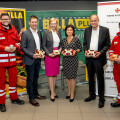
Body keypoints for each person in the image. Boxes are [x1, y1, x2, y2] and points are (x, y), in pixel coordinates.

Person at [83, 15, 110, 108]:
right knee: (90, 77)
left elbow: (107, 45)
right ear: (90, 21)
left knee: (100, 78)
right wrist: (85, 51)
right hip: (89, 58)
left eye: (95, 20)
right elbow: (85, 44)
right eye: (92, 21)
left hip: (99, 58)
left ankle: (101, 99)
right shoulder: (87, 30)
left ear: (98, 20)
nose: (93, 22)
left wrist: (100, 53)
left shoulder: (105, 30)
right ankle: (92, 95)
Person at [0, 13, 24, 112]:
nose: (6, 20)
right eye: (3, 19)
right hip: (1, 62)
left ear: (9, 20)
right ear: (0, 20)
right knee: (1, 83)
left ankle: (14, 98)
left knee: (13, 80)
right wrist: (3, 48)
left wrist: (16, 47)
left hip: (12, 61)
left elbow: (18, 42)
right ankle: (1, 102)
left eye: (7, 19)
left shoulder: (13, 29)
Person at [21, 15, 46, 107]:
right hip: (30, 59)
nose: (34, 23)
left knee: (36, 78)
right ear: (29, 22)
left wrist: (42, 52)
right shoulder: (25, 33)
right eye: (33, 22)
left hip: (38, 59)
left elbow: (40, 46)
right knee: (30, 79)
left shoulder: (39, 32)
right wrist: (32, 55)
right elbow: (22, 47)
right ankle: (31, 98)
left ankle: (36, 94)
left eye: (36, 22)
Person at [42, 18, 61, 102]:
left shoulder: (58, 33)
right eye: (52, 23)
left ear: (57, 24)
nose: (53, 25)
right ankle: (52, 93)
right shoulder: (46, 33)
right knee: (50, 74)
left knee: (55, 74)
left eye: (55, 23)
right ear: (49, 24)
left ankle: (53, 90)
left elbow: (60, 44)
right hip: (49, 55)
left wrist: (60, 49)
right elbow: (43, 45)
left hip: (57, 55)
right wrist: (48, 53)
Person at [62, 25, 82, 102]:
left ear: (73, 31)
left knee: (72, 77)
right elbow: (62, 50)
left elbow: (80, 48)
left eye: (71, 30)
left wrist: (75, 51)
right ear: (66, 31)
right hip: (66, 60)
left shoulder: (76, 39)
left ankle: (72, 94)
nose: (69, 31)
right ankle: (69, 92)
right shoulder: (63, 40)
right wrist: (62, 52)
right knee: (67, 76)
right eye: (68, 30)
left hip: (73, 60)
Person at [109, 23, 120, 107]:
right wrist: (111, 56)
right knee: (118, 83)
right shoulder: (116, 38)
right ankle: (119, 100)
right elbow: (111, 50)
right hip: (116, 66)